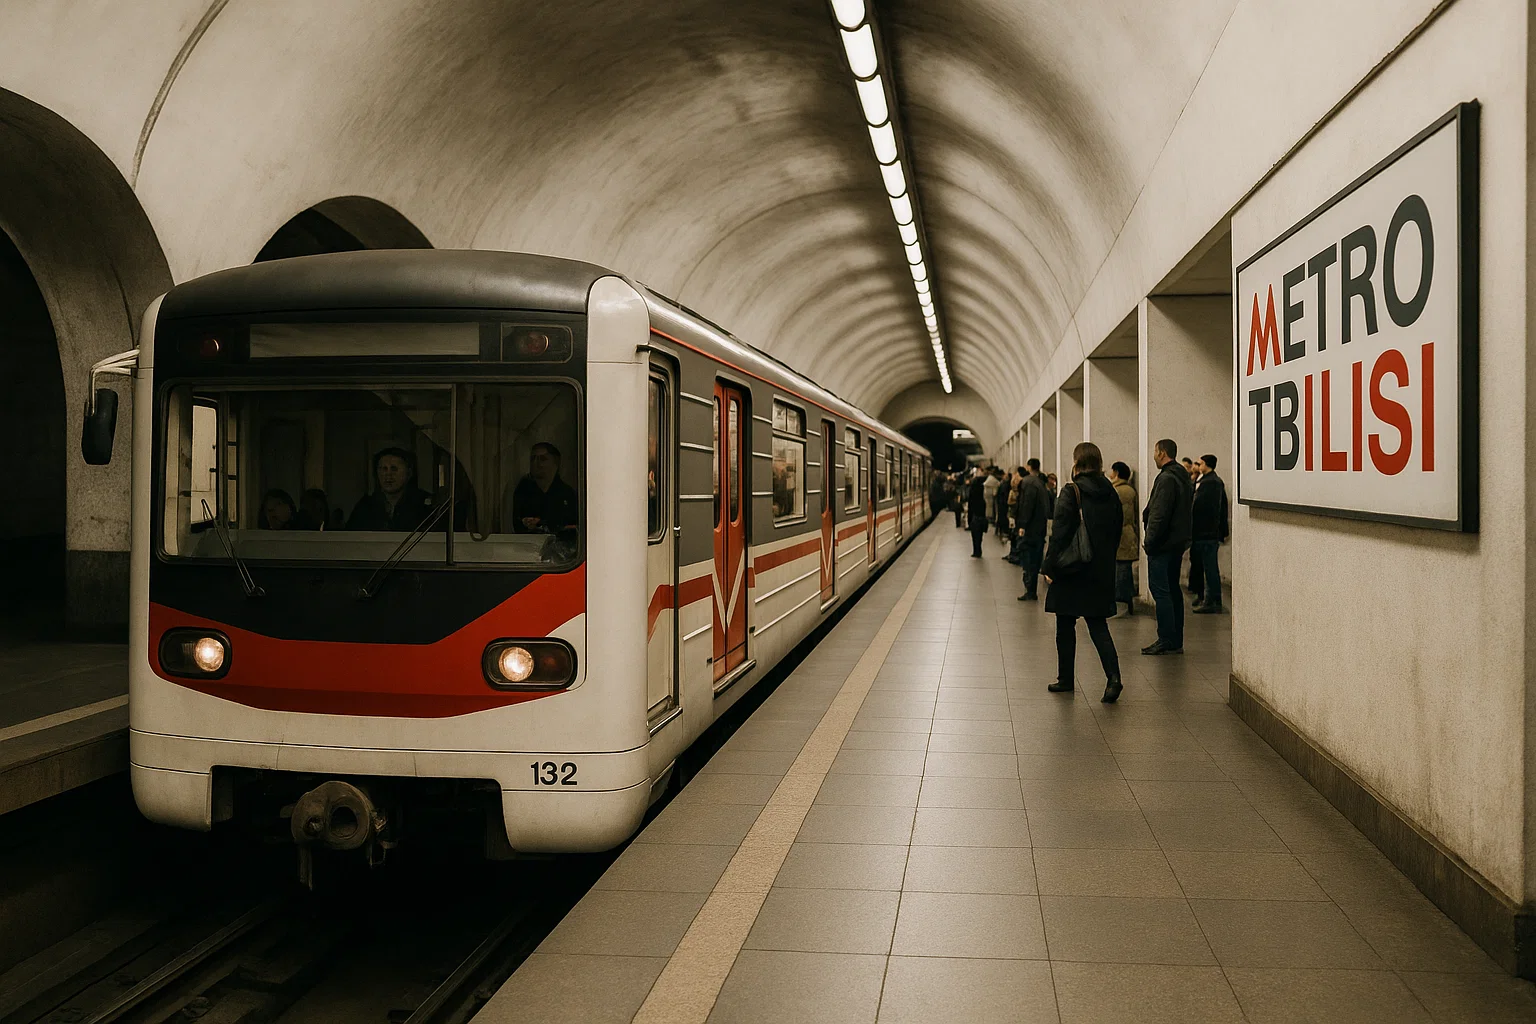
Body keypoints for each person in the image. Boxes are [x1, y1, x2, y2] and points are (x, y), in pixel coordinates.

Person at [1041, 442, 1124, 701]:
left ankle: (1065, 679)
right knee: (1098, 626)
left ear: (1076, 463)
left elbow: (1060, 534)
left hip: (1071, 569)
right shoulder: (1111, 492)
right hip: (1098, 571)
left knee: (1065, 625)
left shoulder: (1071, 491)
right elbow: (1117, 530)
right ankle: (1114, 678)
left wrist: (1049, 567)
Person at [1142, 438, 1194, 654]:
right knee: (1173, 590)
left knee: (1161, 591)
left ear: (1162, 453)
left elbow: (1159, 514)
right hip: (1176, 543)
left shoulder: (1166, 478)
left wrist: (1150, 541)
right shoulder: (1182, 476)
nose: (1153, 455)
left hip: (1163, 545)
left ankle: (1165, 638)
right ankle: (1175, 638)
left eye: (1155, 451)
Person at [505, 442, 579, 542]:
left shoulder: (567, 493)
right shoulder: (523, 489)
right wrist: (526, 523)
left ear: (556, 463)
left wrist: (542, 524)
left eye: (543, 459)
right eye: (533, 459)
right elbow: (517, 523)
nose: (536, 463)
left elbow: (574, 527)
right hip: (527, 548)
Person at [347, 447, 432, 532]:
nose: (388, 475)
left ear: (409, 473)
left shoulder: (423, 505)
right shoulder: (365, 506)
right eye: (384, 469)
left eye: (394, 469)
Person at [1191, 453, 1230, 613]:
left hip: (1206, 533)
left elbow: (1203, 508)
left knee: (1210, 568)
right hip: (1204, 533)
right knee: (1204, 566)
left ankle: (1212, 600)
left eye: (1200, 463)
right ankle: (1205, 597)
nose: (1198, 466)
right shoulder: (1209, 481)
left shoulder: (1211, 483)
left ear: (1207, 465)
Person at [1014, 459, 1049, 600]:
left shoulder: (1028, 482)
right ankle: (1031, 589)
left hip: (1031, 528)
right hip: (1040, 527)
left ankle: (1030, 590)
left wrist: (1022, 525)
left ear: (1028, 467)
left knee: (1028, 559)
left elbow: (1026, 505)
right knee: (1036, 558)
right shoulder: (1040, 482)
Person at [1108, 462, 1139, 616]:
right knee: (1124, 569)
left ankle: (1122, 604)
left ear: (1117, 472)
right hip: (1128, 534)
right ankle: (1127, 602)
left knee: (1121, 571)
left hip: (1120, 536)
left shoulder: (1118, 491)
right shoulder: (1129, 490)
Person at [966, 468, 989, 557]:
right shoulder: (982, 496)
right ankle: (978, 550)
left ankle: (976, 551)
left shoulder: (973, 495)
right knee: (979, 536)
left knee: (975, 535)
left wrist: (969, 519)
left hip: (975, 517)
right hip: (981, 516)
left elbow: (970, 507)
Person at [982, 466, 1001, 532]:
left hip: (987, 496)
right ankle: (991, 518)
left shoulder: (989, 479)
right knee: (992, 507)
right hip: (991, 496)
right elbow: (996, 491)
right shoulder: (994, 480)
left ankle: (989, 517)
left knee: (989, 507)